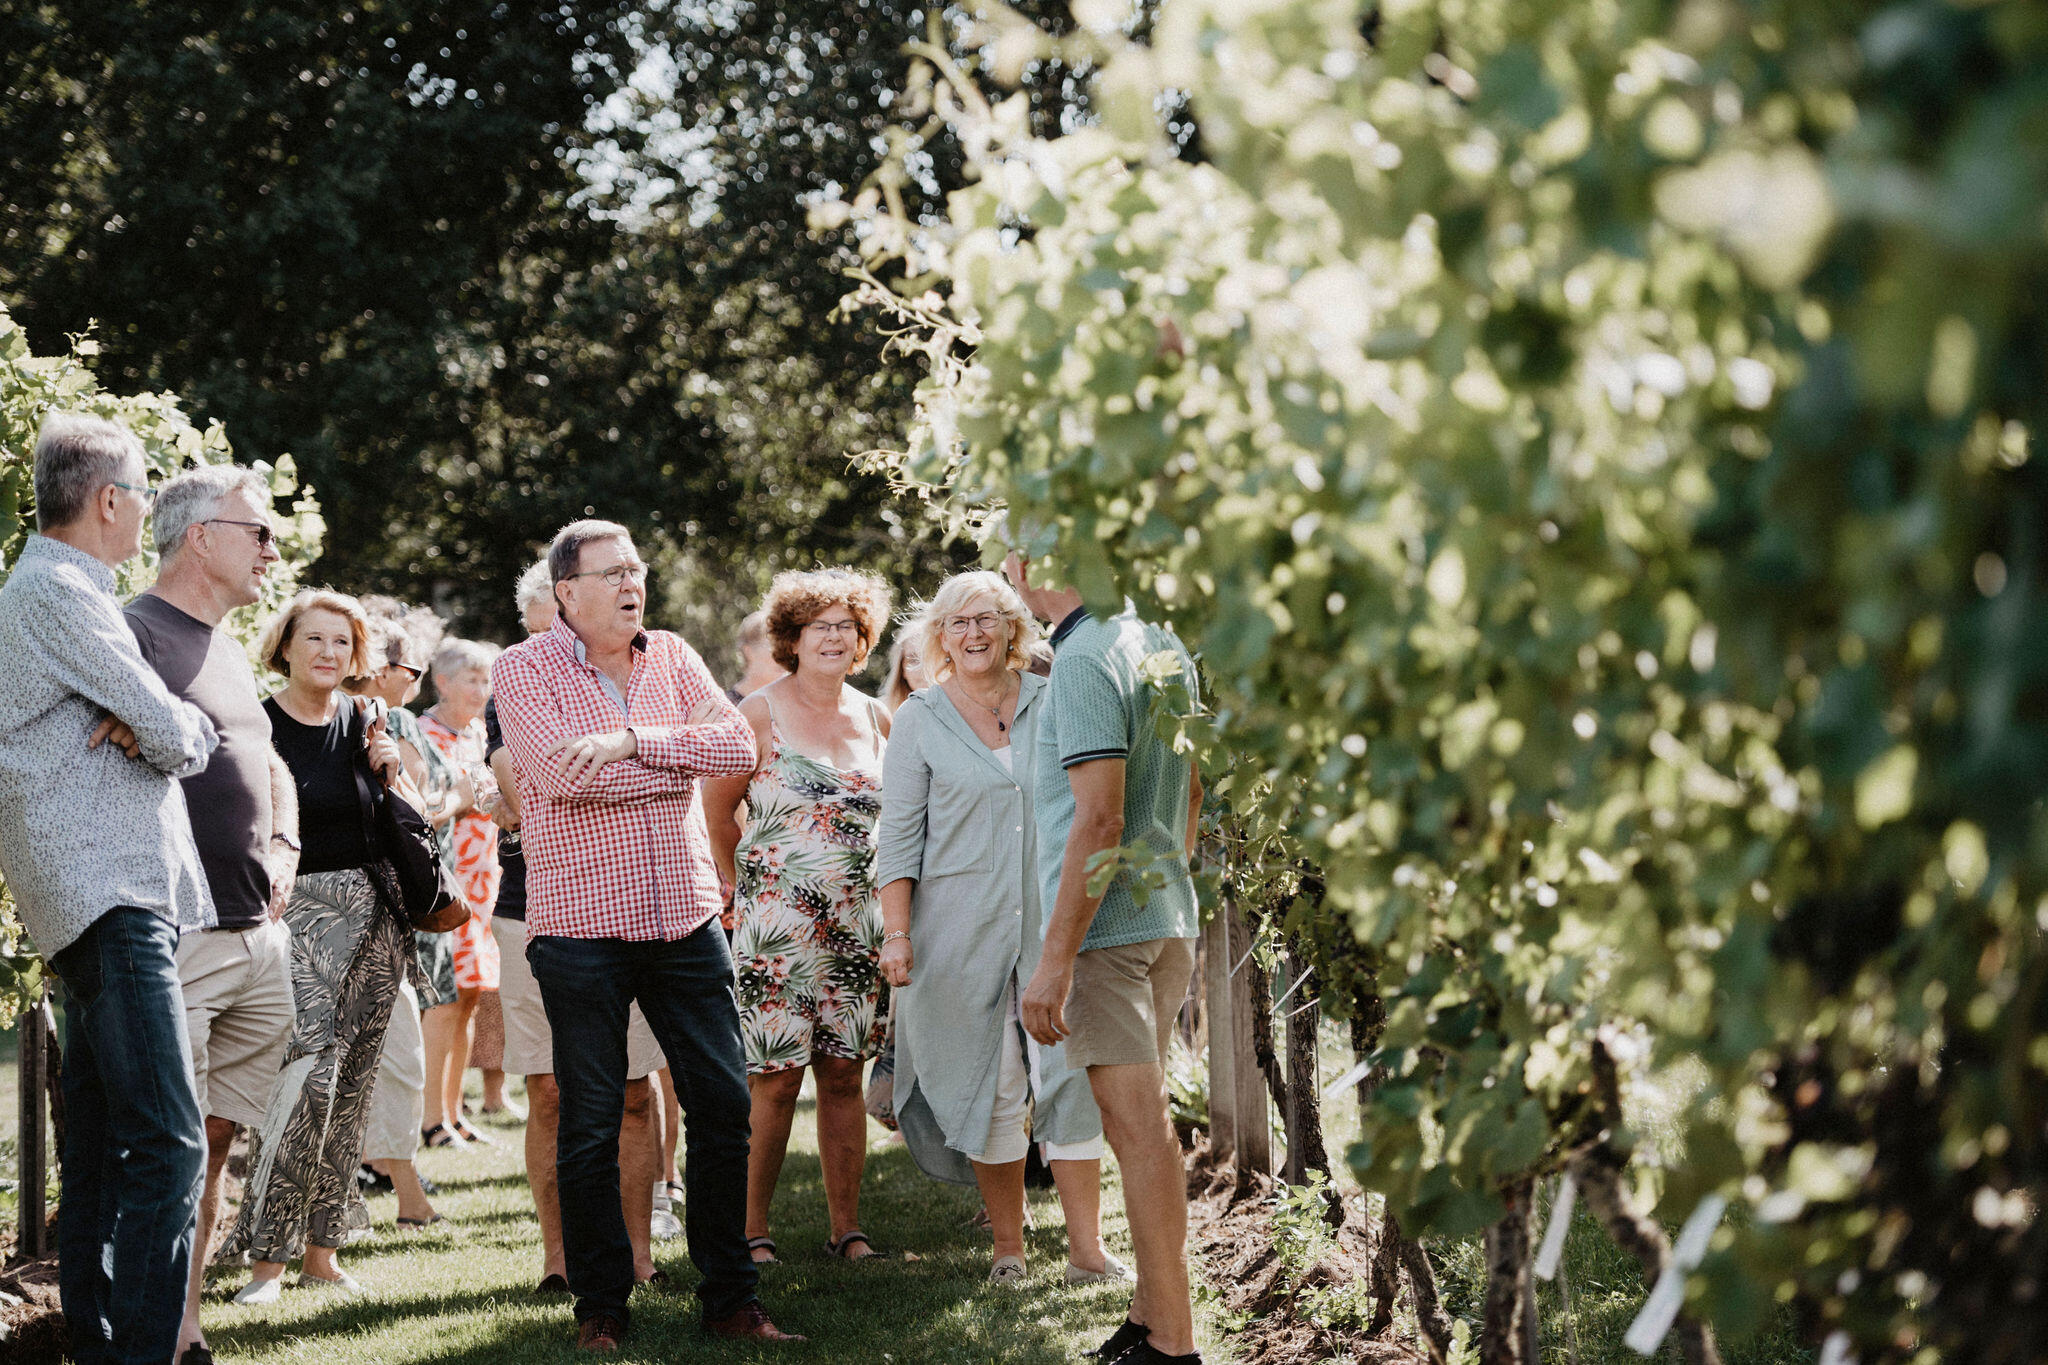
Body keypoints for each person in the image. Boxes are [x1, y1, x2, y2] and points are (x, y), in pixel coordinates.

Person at [492, 519, 801, 1349]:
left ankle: (731, 1298)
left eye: (637, 570)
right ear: (567, 591)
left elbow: (738, 743)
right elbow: (557, 775)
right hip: (580, 929)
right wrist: (674, 769)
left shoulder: (672, 655)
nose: (633, 585)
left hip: (685, 917)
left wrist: (634, 740)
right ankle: (601, 1307)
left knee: (723, 1103)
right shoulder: (521, 668)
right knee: (590, 1118)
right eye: (612, 573)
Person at [0, 415, 218, 1365]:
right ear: (110, 501)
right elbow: (177, 736)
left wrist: (156, 721)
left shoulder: (48, 587)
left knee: (94, 1146)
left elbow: (159, 726)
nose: (146, 505)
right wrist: (163, 724)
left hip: (90, 898)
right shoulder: (62, 589)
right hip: (110, 897)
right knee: (170, 1143)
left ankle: (93, 1346)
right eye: (143, 488)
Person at [875, 570, 1128, 1287]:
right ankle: (1008, 1249)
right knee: (993, 1082)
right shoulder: (921, 717)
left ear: (1012, 625)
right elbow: (898, 837)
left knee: (1069, 1073)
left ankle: (1087, 1252)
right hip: (957, 930)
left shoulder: (1054, 700)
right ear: (940, 637)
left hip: (1055, 921)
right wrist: (897, 935)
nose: (974, 633)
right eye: (958, 623)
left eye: (986, 618)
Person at [123, 465, 305, 1363]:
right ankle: (161, 1331)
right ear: (201, 536)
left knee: (219, 1138)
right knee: (171, 1145)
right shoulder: (132, 633)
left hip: (257, 934)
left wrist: (286, 851)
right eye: (259, 532)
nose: (273, 549)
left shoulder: (227, 643)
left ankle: (186, 1321)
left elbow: (272, 769)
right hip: (180, 935)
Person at [1007, 554, 1207, 1365]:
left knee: (1138, 1130)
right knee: (1140, 1128)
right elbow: (1191, 788)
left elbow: (1098, 818)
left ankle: (1173, 1340)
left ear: (1033, 563)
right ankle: (1148, 1312)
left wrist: (1056, 960)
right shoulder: (1156, 634)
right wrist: (1170, 883)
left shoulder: (1085, 656)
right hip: (1163, 920)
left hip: (1108, 935)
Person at [223, 589, 423, 1300]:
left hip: (374, 918)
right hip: (292, 917)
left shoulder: (368, 718)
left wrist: (391, 766)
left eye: (342, 642)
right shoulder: (257, 721)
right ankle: (266, 1261)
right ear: (285, 644)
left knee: (353, 1089)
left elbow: (406, 820)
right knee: (307, 1077)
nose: (329, 653)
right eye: (315, 639)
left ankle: (322, 1253)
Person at [487, 557, 674, 1294]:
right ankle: (559, 1258)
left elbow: (673, 764)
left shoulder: (639, 671)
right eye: (539, 635)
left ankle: (637, 1253)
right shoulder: (517, 682)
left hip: (630, 911)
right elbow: (523, 783)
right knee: (549, 1092)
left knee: (633, 1088)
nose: (550, 653)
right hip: (529, 909)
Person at [705, 567, 894, 1266]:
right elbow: (718, 815)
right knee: (776, 1078)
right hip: (776, 930)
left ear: (863, 637)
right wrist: (749, 886)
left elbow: (902, 820)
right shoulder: (755, 713)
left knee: (843, 1072)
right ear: (791, 636)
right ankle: (752, 1230)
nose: (835, 637)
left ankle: (847, 1226)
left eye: (847, 625)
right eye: (820, 625)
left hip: (858, 924)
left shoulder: (878, 717)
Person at [348, 617, 446, 1227]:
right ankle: (390, 1194)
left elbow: (417, 811)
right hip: (318, 911)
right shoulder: (293, 723)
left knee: (401, 1055)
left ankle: (402, 1185)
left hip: (387, 912)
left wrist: (395, 776)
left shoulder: (382, 726)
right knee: (335, 1060)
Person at [418, 638, 504, 1145]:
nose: (481, 689)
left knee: (470, 998)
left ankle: (454, 1113)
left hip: (484, 882)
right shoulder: (422, 733)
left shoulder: (478, 735)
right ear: (443, 682)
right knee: (445, 1000)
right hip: (446, 884)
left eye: (485, 679)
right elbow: (424, 804)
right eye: (471, 679)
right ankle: (431, 1119)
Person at [726, 608, 786, 702]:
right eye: (775, 646)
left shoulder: (790, 706)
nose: (784, 655)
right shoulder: (727, 707)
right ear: (749, 652)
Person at [880, 629, 929, 715]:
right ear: (902, 670)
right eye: (913, 660)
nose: (922, 668)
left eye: (929, 657)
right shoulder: (881, 712)